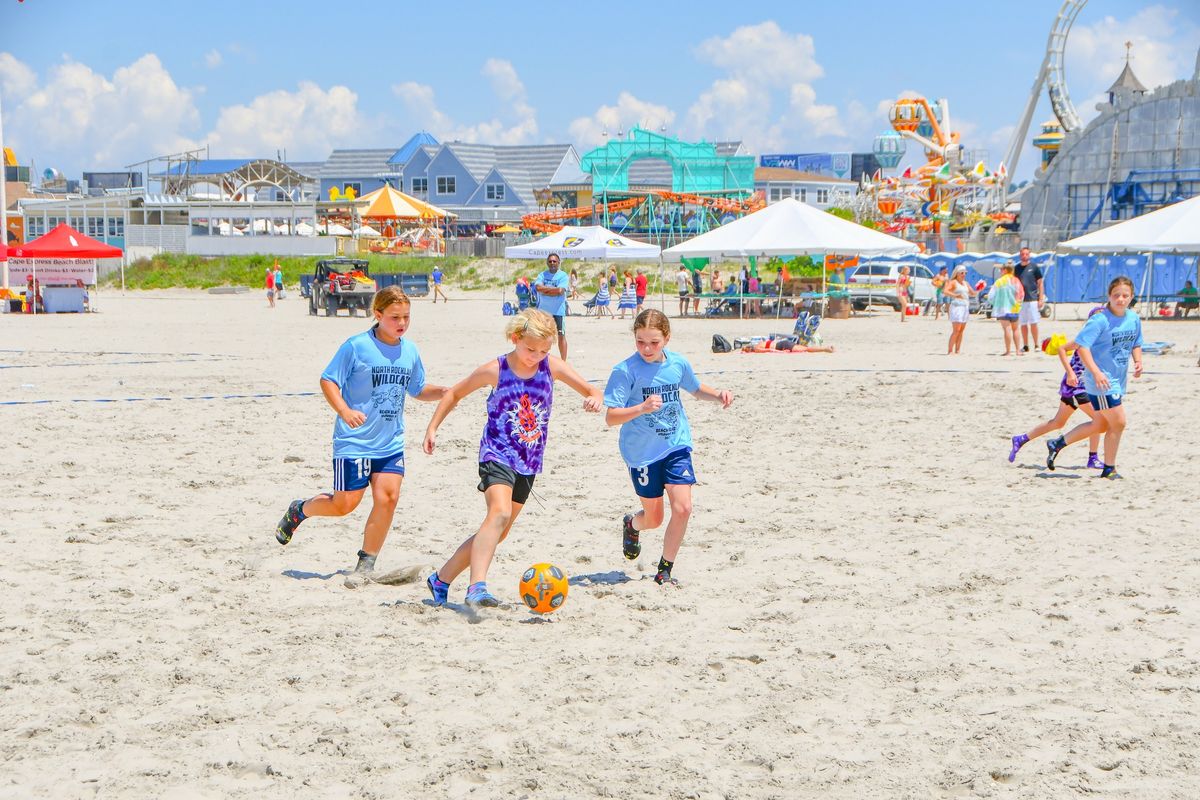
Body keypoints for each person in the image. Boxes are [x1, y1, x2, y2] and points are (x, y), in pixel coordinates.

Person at [422, 309, 603, 607]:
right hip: (496, 452)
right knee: (499, 513)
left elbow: (591, 388)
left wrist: (594, 397)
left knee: (498, 531)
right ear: (515, 338)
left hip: (529, 460)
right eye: (530, 348)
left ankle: (440, 579)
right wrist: (432, 427)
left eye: (544, 350)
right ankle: (476, 587)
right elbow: (454, 394)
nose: (536, 355)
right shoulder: (496, 369)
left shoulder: (551, 367)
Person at [274, 287, 447, 575]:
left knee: (388, 498)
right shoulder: (356, 346)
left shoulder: (410, 350)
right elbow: (328, 380)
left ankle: (366, 563)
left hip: (390, 443)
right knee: (344, 505)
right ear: (377, 315)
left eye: (406, 317)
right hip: (353, 442)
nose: (401, 323)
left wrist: (443, 391)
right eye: (394, 317)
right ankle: (300, 510)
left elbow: (416, 388)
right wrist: (344, 410)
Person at [604, 309, 734, 585]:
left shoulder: (677, 364)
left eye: (654, 342)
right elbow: (611, 417)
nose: (647, 348)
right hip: (641, 453)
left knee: (683, 508)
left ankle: (664, 570)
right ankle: (632, 525)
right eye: (640, 342)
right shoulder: (625, 370)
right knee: (653, 519)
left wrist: (718, 394)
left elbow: (696, 389)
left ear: (667, 338)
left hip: (676, 446)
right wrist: (641, 407)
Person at [1046, 276, 1143, 479]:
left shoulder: (1133, 318)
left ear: (1132, 297)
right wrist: (1096, 372)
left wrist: (1138, 360)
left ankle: (1057, 443)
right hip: (1100, 381)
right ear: (1109, 296)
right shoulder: (1100, 320)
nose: (1121, 299)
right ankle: (1109, 468)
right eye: (1116, 295)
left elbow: (1136, 342)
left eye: (1125, 296)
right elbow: (1082, 347)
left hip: (1117, 379)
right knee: (1119, 422)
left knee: (1100, 425)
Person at [1008, 310, 1104, 469]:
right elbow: (1061, 349)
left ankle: (1021, 439)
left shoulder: (1101, 340)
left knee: (1058, 422)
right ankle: (1091, 457)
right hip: (1076, 387)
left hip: (1084, 387)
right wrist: (1070, 372)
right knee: (1099, 419)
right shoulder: (1085, 338)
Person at [534, 253, 570, 360]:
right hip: (543, 312)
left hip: (558, 311)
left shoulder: (563, 276)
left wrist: (545, 290)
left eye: (554, 261)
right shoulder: (542, 275)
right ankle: (541, 358)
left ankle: (563, 361)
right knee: (541, 335)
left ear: (559, 263)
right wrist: (552, 291)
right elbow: (538, 288)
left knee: (561, 336)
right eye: (550, 261)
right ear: (547, 263)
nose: (552, 263)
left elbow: (560, 290)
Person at [988, 263, 1025, 356]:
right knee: (1016, 329)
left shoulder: (999, 282)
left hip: (1002, 308)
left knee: (1007, 329)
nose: (1000, 271)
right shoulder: (1016, 280)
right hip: (1014, 308)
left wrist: (994, 303)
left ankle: (1008, 351)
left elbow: (991, 296)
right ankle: (1017, 350)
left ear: (1005, 270)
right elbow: (1021, 294)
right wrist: (1018, 304)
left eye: (1001, 270)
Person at [1014, 247, 1045, 353]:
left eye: (1026, 254)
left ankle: (1036, 344)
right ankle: (1026, 345)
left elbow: (1040, 283)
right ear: (1020, 255)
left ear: (1029, 255)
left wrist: (1041, 298)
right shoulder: (1016, 268)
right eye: (1022, 254)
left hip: (1032, 299)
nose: (1024, 256)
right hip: (1021, 301)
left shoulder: (1034, 267)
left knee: (1034, 323)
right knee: (1023, 324)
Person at [945, 265, 977, 354]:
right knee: (956, 330)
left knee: (962, 330)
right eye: (962, 273)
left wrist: (979, 289)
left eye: (965, 273)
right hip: (956, 307)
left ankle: (958, 349)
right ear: (957, 273)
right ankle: (950, 350)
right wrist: (955, 295)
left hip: (965, 307)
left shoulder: (966, 283)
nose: (963, 275)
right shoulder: (953, 282)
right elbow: (946, 291)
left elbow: (972, 293)